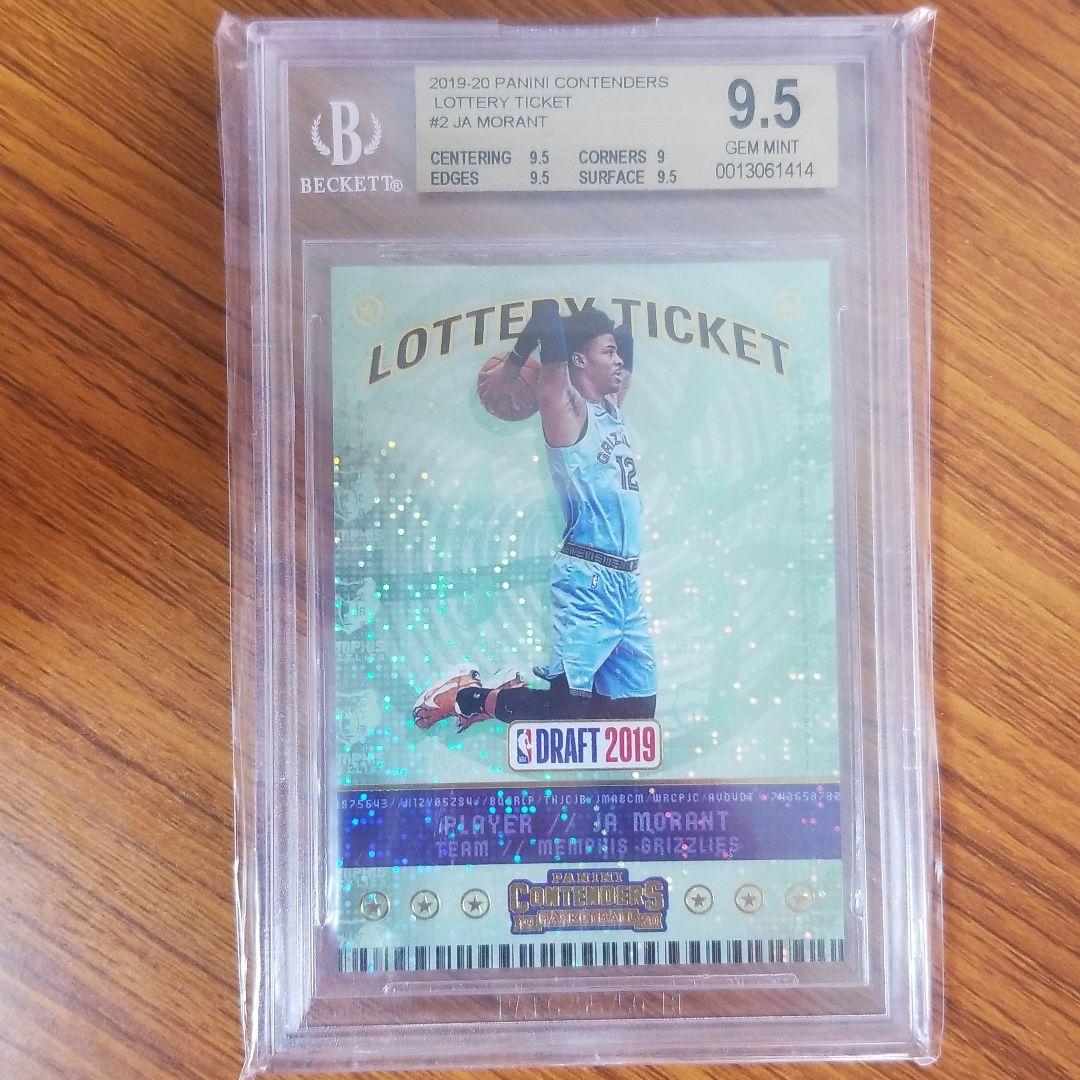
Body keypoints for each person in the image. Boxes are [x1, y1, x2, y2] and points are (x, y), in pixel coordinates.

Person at [414, 299, 657, 733]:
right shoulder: (564, 407)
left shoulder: (612, 407)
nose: (619, 360)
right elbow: (546, 314)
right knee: (566, 707)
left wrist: (604, 321)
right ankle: (466, 697)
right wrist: (514, 364)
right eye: (608, 352)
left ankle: (506, 692)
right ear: (578, 360)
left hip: (626, 583)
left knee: (635, 717)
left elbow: (627, 337)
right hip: (589, 578)